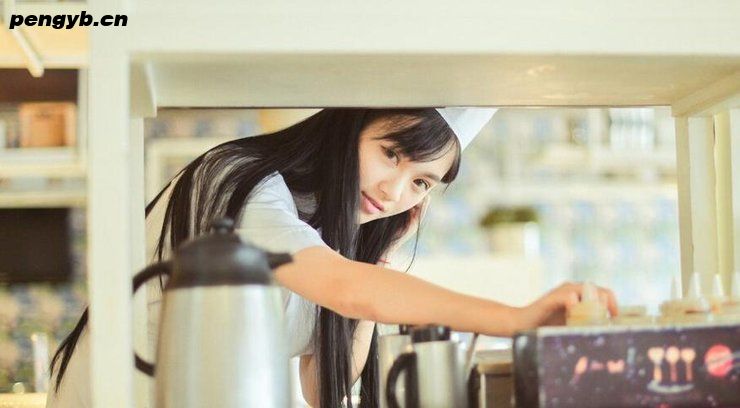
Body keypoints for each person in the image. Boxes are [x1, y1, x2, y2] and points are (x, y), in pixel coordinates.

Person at [47, 108, 618, 408]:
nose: (397, 191)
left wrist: (376, 259)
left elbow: (325, 385)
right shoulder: (241, 182)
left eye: (422, 183)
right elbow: (342, 287)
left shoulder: (334, 240)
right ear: (347, 129)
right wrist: (516, 320)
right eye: (391, 154)